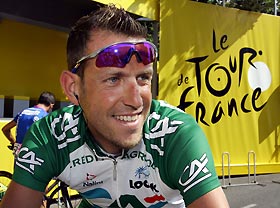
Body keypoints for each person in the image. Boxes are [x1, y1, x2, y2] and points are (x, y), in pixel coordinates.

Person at [0, 4, 229, 208]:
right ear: (73, 88)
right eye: (113, 79)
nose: (136, 101)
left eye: (143, 78)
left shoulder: (176, 133)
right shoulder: (51, 136)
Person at [1, 91, 55, 156]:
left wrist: (14, 142)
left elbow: (5, 129)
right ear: (51, 105)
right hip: (35, 154)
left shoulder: (23, 112)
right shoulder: (45, 116)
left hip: (19, 152)